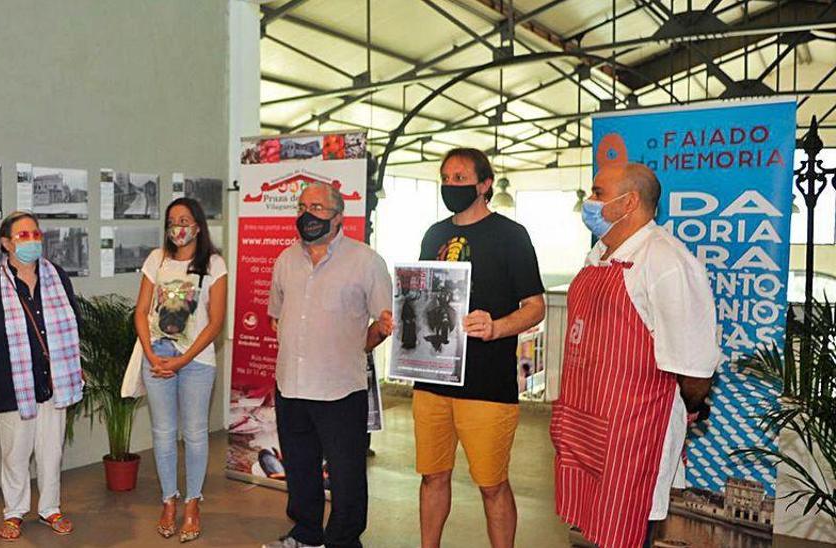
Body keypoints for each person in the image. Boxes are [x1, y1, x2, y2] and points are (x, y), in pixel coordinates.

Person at [552, 163, 717, 548]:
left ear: (630, 202)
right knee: (593, 531)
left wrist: (686, 408)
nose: (589, 203)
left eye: (597, 193)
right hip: (586, 423)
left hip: (632, 435)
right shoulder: (600, 255)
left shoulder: (665, 261)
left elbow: (694, 368)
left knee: (627, 534)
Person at [414, 148, 546, 548]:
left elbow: (536, 307)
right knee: (432, 476)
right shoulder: (434, 234)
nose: (451, 186)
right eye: (446, 178)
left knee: (492, 484)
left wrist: (496, 328)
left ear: (485, 184)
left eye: (460, 178)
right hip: (433, 378)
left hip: (488, 383)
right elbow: (422, 295)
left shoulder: (511, 235)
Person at [261, 182, 394, 548]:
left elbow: (384, 322)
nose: (308, 214)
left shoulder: (366, 261)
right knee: (301, 470)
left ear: (338, 216)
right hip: (291, 385)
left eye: (318, 207)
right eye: (302, 206)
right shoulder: (286, 260)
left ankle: (343, 541)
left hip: (339, 388)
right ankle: (306, 534)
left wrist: (355, 348)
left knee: (346, 473)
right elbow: (277, 315)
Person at [0, 211, 84, 542]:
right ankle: (14, 512)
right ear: (6, 243)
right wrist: (3, 359)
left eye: (35, 234)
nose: (31, 241)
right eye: (23, 235)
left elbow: (71, 323)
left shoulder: (57, 276)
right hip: (13, 384)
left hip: (55, 380)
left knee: (51, 450)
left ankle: (50, 508)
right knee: (15, 453)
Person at [133, 197, 228, 542]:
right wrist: (151, 354)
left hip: (197, 364)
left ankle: (192, 504)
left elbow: (215, 322)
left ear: (198, 226)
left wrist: (183, 360)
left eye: (185, 220)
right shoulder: (155, 260)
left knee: (195, 433)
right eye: (172, 220)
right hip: (156, 359)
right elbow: (141, 311)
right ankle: (168, 501)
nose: (178, 226)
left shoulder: (214, 264)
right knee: (162, 433)